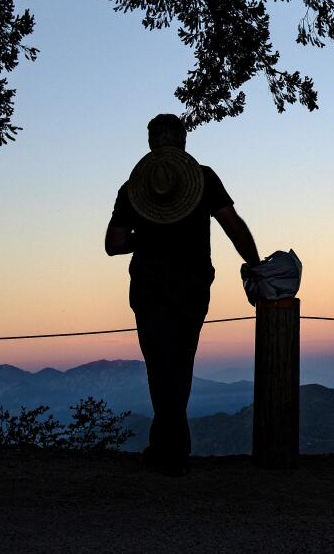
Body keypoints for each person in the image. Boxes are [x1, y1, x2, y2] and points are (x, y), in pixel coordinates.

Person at [105, 113, 260, 476]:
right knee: (180, 361)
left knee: (158, 365)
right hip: (191, 285)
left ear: (150, 144)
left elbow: (113, 244)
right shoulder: (203, 178)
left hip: (146, 285)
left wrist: (145, 235)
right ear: (184, 142)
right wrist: (255, 262)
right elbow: (232, 224)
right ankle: (172, 451)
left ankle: (166, 448)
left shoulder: (132, 188)